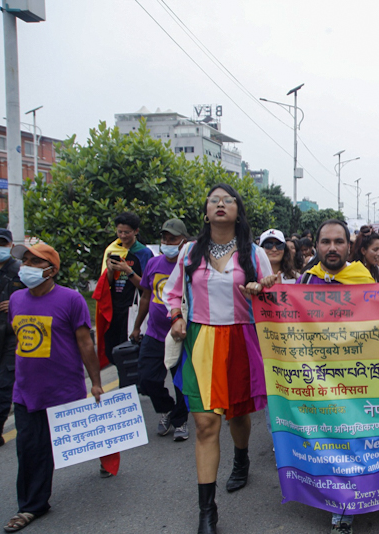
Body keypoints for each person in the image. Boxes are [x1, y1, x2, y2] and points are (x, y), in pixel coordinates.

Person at [164, 184, 273, 534]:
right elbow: (173, 292)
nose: (221, 204)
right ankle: (207, 513)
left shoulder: (254, 254)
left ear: (238, 211)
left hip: (242, 339)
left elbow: (273, 297)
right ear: (206, 211)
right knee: (206, 424)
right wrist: (176, 317)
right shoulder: (189, 253)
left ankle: (241, 459)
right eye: (214, 200)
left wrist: (260, 290)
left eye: (228, 200)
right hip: (201, 341)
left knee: (237, 415)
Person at [3, 243, 103, 533]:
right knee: (31, 449)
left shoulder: (72, 300)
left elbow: (85, 343)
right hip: (26, 393)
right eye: (25, 261)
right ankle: (31, 506)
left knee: (80, 440)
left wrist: (96, 382)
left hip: (62, 392)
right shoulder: (17, 300)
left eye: (35, 262)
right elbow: (20, 339)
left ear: (51, 269)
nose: (27, 267)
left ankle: (108, 458)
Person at [286, 220, 374, 534]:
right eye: (326, 242)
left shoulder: (363, 279)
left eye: (338, 241)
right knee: (330, 441)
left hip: (358, 378)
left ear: (349, 246)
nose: (332, 248)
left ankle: (347, 507)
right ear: (317, 245)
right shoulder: (306, 281)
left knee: (352, 441)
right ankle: (340, 503)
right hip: (319, 379)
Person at [130, 219, 191, 441]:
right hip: (154, 334)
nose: (167, 242)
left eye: (172, 239)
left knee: (180, 382)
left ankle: (181, 420)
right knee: (147, 379)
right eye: (164, 238)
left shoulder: (190, 266)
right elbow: (146, 296)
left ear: (183, 241)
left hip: (180, 336)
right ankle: (168, 409)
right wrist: (137, 326)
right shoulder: (153, 264)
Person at [95, 212, 153, 380]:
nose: (122, 236)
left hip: (132, 308)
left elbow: (146, 287)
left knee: (128, 352)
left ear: (136, 231)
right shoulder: (112, 249)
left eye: (126, 232)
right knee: (112, 349)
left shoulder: (143, 253)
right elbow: (105, 284)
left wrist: (128, 271)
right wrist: (111, 270)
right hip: (114, 307)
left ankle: (129, 386)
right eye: (119, 232)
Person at [0, 229, 23, 453]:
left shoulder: (21, 271)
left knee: (2, 384)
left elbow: (38, 296)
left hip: (11, 335)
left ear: (11, 245)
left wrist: (16, 303)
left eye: (3, 243)